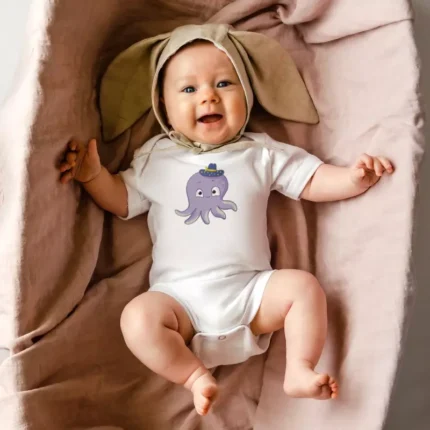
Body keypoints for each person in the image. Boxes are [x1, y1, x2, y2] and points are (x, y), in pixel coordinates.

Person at [58, 24, 394, 416]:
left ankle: (299, 368)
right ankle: (194, 377)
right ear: (163, 106)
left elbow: (312, 180)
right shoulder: (156, 158)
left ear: (247, 94)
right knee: (136, 319)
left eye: (223, 83)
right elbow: (122, 200)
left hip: (252, 294)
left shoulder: (259, 152)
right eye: (189, 89)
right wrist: (94, 177)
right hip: (179, 304)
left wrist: (354, 178)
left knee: (303, 288)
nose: (208, 96)